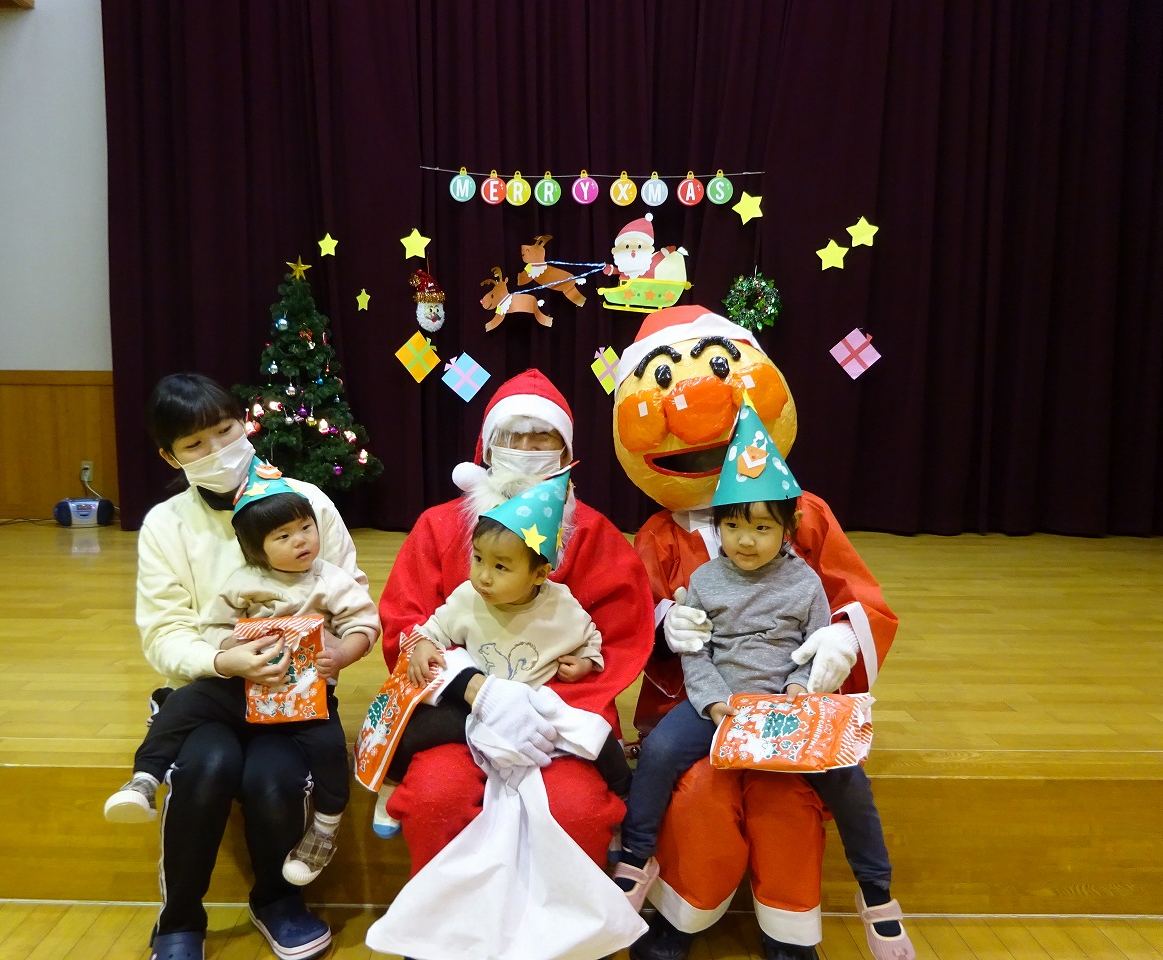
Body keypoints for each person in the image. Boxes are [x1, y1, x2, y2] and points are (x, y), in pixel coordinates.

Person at [610, 305, 900, 960]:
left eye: (717, 367)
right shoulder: (660, 536)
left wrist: (839, 640)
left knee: (787, 800)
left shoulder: (807, 515)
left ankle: (790, 932)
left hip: (788, 703)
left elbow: (858, 600)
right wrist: (665, 624)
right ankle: (677, 915)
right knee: (698, 796)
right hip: (699, 703)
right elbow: (630, 617)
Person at [377, 368, 655, 876]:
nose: (526, 448)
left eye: (542, 436)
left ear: (565, 452)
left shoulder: (595, 534)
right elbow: (407, 625)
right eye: (513, 436)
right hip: (458, 713)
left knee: (577, 812)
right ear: (487, 446)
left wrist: (552, 699)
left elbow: (618, 637)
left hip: (559, 716)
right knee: (435, 799)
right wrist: (474, 689)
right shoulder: (437, 526)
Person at [133, 372, 368, 960]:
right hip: (209, 692)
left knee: (273, 775)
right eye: (195, 444)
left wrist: (329, 652)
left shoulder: (308, 502)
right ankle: (179, 918)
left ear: (245, 425)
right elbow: (163, 633)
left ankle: (277, 900)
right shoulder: (166, 523)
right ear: (170, 457)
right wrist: (222, 660)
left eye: (225, 430)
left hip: (293, 695)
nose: (217, 450)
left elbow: (349, 599)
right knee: (207, 766)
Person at [105, 464, 379, 889]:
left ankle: (325, 829)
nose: (301, 540)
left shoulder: (331, 580)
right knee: (185, 702)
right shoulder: (245, 581)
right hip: (244, 686)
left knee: (329, 748)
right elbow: (213, 626)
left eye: (306, 528)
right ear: (256, 549)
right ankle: (145, 778)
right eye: (283, 536)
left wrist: (343, 653)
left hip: (305, 694)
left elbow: (364, 624)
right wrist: (232, 648)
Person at [385, 472, 632, 819]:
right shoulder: (468, 598)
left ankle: (625, 793)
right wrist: (424, 644)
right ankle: (391, 781)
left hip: (536, 706)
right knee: (416, 729)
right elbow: (431, 629)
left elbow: (591, 636)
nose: (483, 576)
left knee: (595, 735)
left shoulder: (561, 606)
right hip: (477, 703)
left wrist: (586, 663)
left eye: (500, 566)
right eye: (478, 559)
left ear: (540, 574)